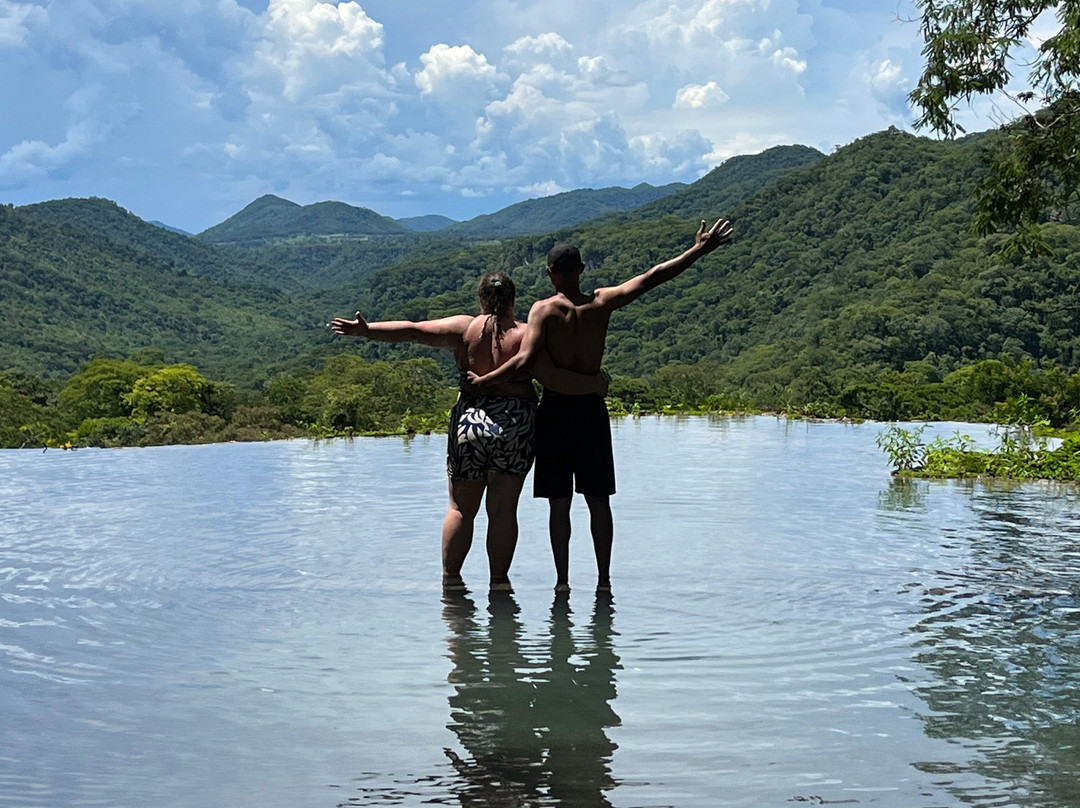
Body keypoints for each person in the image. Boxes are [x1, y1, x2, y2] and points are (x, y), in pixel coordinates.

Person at [469, 218, 734, 592]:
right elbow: (653, 276)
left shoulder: (543, 310)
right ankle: (604, 580)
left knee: (559, 504)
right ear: (581, 269)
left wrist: (485, 381)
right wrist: (698, 250)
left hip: (556, 412)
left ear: (549, 273)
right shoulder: (602, 302)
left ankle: (562, 582)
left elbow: (525, 360)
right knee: (598, 501)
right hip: (591, 411)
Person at [329, 272, 606, 592]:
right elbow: (553, 378)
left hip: (469, 424)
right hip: (514, 426)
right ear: (513, 300)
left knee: (460, 509)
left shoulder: (465, 328)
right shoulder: (527, 334)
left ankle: (451, 582)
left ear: (481, 299)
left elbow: (413, 330)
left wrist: (367, 331)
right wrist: (594, 384)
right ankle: (499, 584)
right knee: (502, 510)